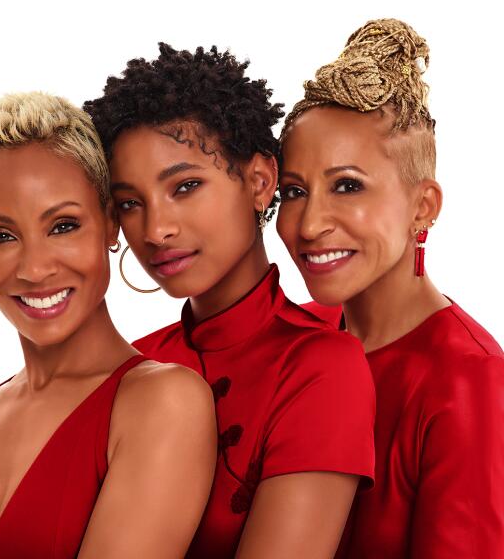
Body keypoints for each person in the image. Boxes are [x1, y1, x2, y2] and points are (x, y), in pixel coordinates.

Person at [0, 92, 217, 559]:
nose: (35, 268)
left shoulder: (162, 403)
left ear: (110, 222)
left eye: (63, 225)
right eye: (1, 236)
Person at [84, 43, 375, 558]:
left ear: (260, 181)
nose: (156, 229)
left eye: (186, 186)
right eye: (131, 203)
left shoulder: (323, 366)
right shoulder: (131, 366)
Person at [275, 18, 504, 558]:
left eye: (347, 186)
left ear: (422, 207)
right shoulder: (296, 336)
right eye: (294, 191)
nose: (309, 225)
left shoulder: (471, 384)